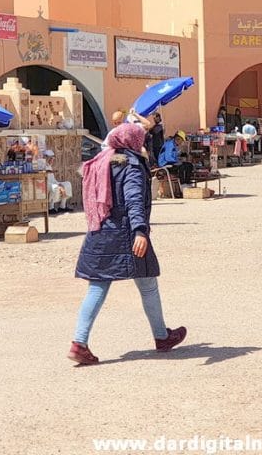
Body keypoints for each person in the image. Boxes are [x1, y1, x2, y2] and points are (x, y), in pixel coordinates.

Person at [68, 123, 187, 365]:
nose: (143, 145)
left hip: (100, 231)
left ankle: (80, 342)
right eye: (141, 140)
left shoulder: (101, 161)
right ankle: (161, 336)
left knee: (101, 286)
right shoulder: (130, 165)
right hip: (127, 235)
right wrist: (140, 231)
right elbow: (133, 199)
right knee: (147, 285)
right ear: (131, 141)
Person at [44, 149, 72, 213]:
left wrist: (59, 184)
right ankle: (51, 208)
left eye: (53, 159)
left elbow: (53, 179)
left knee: (67, 184)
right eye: (50, 159)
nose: (52, 161)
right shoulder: (42, 165)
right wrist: (58, 185)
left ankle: (62, 206)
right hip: (45, 184)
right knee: (55, 187)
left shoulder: (49, 166)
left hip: (52, 183)